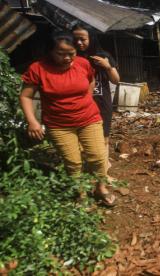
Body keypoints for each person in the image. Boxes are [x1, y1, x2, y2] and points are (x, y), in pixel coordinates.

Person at [19, 30, 116, 206]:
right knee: (73, 162)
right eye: (61, 54)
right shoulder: (38, 69)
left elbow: (91, 81)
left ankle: (100, 188)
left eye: (71, 53)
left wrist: (86, 98)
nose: (67, 58)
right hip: (59, 125)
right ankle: (80, 194)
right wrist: (32, 121)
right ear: (50, 51)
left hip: (89, 118)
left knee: (98, 156)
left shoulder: (83, 63)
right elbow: (25, 96)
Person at [72, 25, 120, 180]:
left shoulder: (102, 56)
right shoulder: (70, 57)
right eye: (76, 39)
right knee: (82, 136)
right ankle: (91, 166)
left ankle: (103, 172)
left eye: (83, 39)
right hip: (80, 103)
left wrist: (107, 66)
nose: (79, 42)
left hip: (101, 102)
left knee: (104, 136)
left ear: (91, 39)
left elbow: (116, 80)